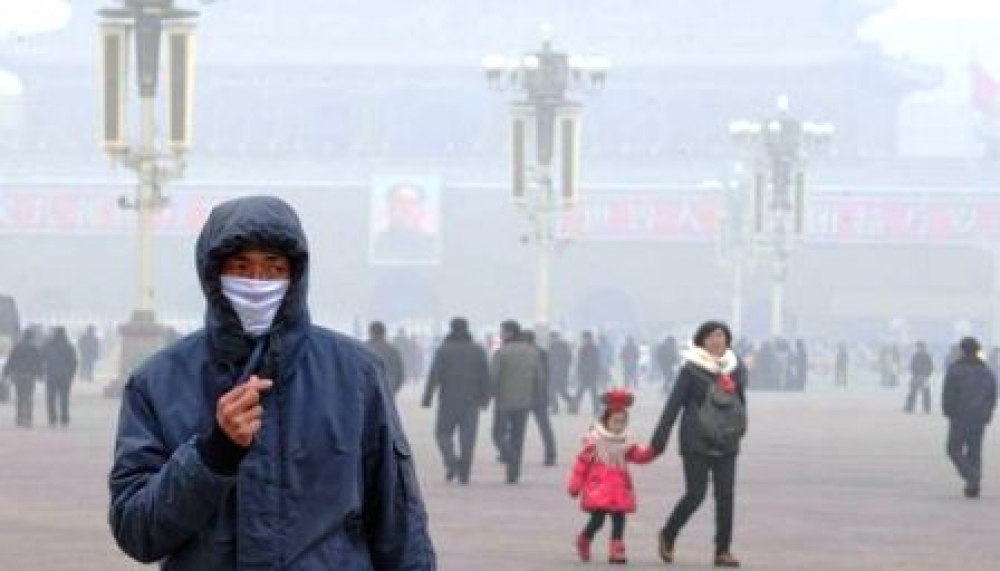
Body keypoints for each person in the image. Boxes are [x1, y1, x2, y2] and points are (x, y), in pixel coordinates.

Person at [108, 196, 436, 569]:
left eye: (273, 268)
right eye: (241, 267)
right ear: (213, 274)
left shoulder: (356, 375)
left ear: (295, 276)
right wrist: (213, 455)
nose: (256, 282)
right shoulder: (158, 382)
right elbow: (137, 531)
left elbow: (399, 522)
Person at [650, 320, 748, 568]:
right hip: (696, 440)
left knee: (725, 496)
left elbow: (740, 404)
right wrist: (660, 437)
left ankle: (722, 551)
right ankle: (668, 533)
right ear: (701, 341)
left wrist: (740, 428)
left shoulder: (734, 369)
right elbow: (673, 405)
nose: (718, 341)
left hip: (726, 441)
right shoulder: (691, 370)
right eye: (712, 337)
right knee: (696, 494)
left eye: (722, 336)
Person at [568, 389, 656, 564]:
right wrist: (575, 485)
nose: (619, 426)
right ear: (606, 421)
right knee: (597, 520)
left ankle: (616, 550)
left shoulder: (626, 443)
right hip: (598, 488)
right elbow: (582, 464)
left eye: (623, 422)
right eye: (616, 422)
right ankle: (584, 539)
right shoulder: (594, 441)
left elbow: (638, 456)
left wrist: (653, 451)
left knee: (619, 519)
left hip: (619, 489)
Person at [421, 317, 490, 484]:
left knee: (442, 434)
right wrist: (485, 398)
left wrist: (428, 397)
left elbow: (434, 374)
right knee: (468, 438)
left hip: (448, 400)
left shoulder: (444, 350)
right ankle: (464, 473)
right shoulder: (477, 350)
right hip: (471, 401)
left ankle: (451, 461)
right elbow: (486, 376)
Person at [942, 337, 997, 499]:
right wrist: (987, 413)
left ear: (962, 350)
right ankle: (973, 487)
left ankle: (972, 476)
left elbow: (948, 394)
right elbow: (992, 396)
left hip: (960, 416)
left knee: (953, 449)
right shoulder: (987, 371)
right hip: (979, 417)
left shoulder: (955, 370)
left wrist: (949, 411)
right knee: (974, 451)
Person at [490, 319, 544, 484]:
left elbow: (493, 377)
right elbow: (540, 378)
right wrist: (535, 397)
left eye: (502, 331)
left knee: (498, 434)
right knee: (517, 437)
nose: (500, 334)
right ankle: (513, 473)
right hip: (525, 401)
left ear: (510, 333)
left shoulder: (501, 352)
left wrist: (488, 396)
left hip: (504, 401)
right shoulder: (532, 352)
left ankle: (509, 456)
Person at [370, 182, 440, 264]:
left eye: (413, 203)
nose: (406, 209)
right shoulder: (375, 243)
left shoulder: (433, 246)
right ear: (389, 208)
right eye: (400, 202)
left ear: (422, 210)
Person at [523, 330, 557, 466]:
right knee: (545, 426)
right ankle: (550, 453)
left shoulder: (525, 354)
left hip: (525, 395)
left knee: (517, 428)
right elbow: (546, 374)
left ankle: (510, 454)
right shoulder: (542, 352)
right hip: (540, 395)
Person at [2, 328, 43, 428]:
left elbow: (11, 361)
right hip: (30, 376)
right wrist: (40, 374)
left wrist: (6, 372)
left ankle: (19, 418)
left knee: (19, 397)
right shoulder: (34, 349)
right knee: (28, 397)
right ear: (32, 337)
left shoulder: (17, 348)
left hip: (18, 375)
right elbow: (38, 363)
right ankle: (28, 418)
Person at [42, 326, 77, 427]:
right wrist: (71, 374)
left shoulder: (49, 345)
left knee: (51, 398)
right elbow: (74, 362)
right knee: (64, 398)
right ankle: (64, 419)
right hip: (65, 376)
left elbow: (41, 357)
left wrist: (43, 371)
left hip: (51, 375)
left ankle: (52, 418)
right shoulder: (68, 346)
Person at [366, 320, 406, 395]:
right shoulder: (392, 351)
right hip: (387, 389)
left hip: (366, 391)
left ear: (370, 332)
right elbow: (400, 373)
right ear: (384, 333)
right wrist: (394, 390)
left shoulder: (362, 349)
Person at [573, 331, 602, 415]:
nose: (584, 340)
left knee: (586, 391)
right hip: (587, 373)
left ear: (588, 338)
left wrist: (579, 372)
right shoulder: (587, 348)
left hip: (589, 373)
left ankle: (574, 407)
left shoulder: (587, 349)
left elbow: (596, 362)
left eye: (584, 338)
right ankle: (575, 407)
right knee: (586, 391)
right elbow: (580, 362)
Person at [547, 331, 574, 414]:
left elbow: (549, 360)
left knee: (552, 390)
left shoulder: (552, 346)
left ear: (553, 338)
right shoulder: (564, 345)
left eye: (551, 338)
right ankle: (572, 403)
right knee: (561, 390)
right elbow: (570, 358)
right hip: (562, 372)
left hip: (554, 372)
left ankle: (556, 408)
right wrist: (565, 368)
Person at [905, 341, 934, 414]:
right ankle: (909, 407)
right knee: (912, 392)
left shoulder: (927, 356)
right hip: (916, 376)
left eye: (921, 347)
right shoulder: (915, 356)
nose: (919, 348)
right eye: (919, 347)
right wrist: (915, 374)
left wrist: (926, 375)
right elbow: (912, 366)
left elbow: (930, 367)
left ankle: (927, 408)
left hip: (924, 377)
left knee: (926, 393)